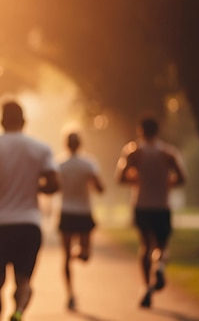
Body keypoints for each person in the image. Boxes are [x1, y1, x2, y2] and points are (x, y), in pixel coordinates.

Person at [0, 101, 60, 321]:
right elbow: (55, 184)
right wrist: (36, 186)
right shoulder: (40, 149)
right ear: (24, 121)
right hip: (28, 226)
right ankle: (18, 313)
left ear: (1, 121)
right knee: (24, 282)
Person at [117, 116, 185, 308]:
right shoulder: (168, 153)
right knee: (161, 246)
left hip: (142, 205)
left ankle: (146, 287)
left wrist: (137, 180)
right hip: (162, 206)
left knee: (146, 246)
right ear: (157, 131)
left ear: (140, 130)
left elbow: (120, 178)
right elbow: (181, 178)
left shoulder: (134, 152)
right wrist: (167, 183)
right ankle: (161, 267)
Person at [57, 132, 104, 311]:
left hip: (67, 213)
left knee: (67, 257)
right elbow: (100, 188)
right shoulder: (88, 164)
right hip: (83, 213)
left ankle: (70, 293)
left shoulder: (59, 164)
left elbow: (54, 186)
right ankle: (70, 295)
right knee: (85, 255)